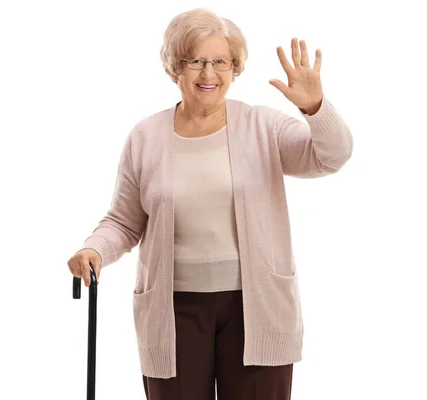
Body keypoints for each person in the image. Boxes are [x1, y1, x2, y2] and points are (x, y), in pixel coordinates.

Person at [67, 7, 353, 400]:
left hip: (257, 307)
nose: (208, 73)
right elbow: (123, 220)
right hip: (174, 311)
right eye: (195, 61)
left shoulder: (263, 126)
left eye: (220, 61)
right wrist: (93, 248)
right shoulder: (145, 137)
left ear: (235, 68)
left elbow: (332, 156)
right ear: (174, 68)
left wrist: (315, 106)